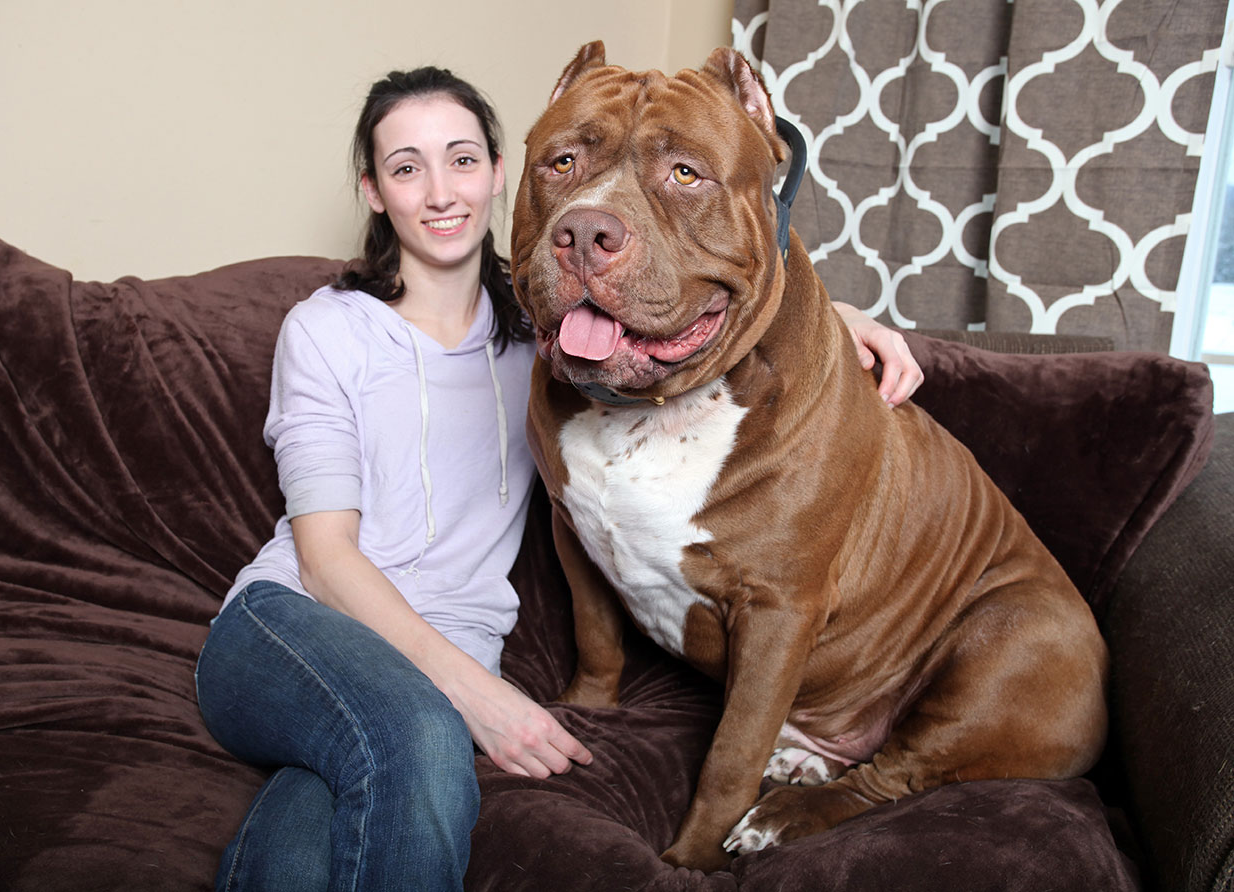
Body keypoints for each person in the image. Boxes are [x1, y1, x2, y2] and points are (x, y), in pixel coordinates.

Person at [194, 64, 923, 892]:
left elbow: (725, 298)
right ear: (372, 190)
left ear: (502, 175)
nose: (440, 192)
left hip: (422, 661)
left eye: (463, 160)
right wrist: (475, 694)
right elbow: (325, 561)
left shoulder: (547, 344)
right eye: (406, 168)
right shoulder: (325, 330)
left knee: (307, 831)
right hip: (291, 622)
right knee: (422, 740)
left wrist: (841, 318)